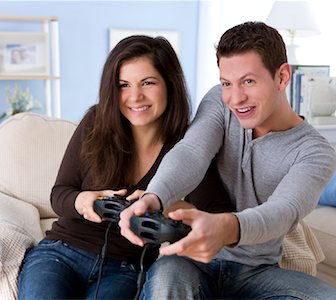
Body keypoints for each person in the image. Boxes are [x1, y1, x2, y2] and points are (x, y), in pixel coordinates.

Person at [120, 22, 336, 299]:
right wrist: (154, 197)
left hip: (258, 271)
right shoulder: (219, 101)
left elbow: (283, 211)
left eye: (249, 81)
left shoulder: (315, 152)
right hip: (188, 259)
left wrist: (225, 228)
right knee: (165, 287)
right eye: (227, 83)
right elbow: (192, 151)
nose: (236, 97)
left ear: (282, 77)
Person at [17, 35, 232, 299]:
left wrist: (171, 206)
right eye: (123, 85)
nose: (135, 96)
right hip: (61, 253)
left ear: (169, 84)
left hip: (125, 269)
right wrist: (83, 201)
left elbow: (219, 216)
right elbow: (60, 193)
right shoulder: (96, 122)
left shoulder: (189, 146)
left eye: (148, 83)